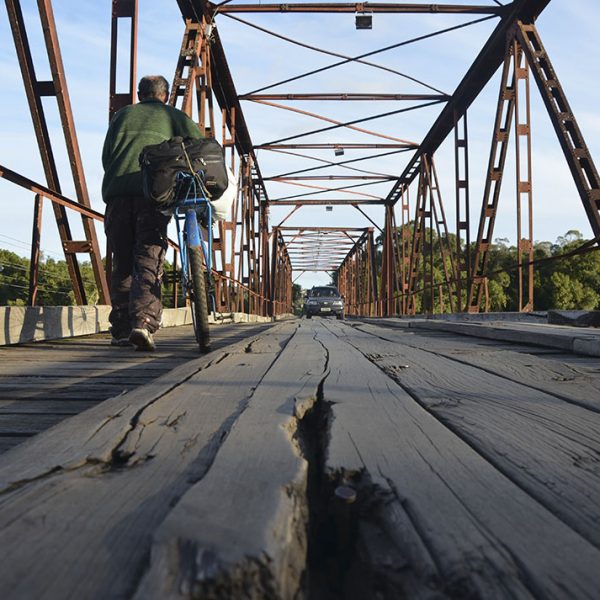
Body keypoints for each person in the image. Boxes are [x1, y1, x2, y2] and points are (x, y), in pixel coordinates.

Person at [102, 75, 203, 350]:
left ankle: (121, 329)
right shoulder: (175, 117)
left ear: (139, 93)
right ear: (165, 95)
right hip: (151, 196)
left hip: (117, 194)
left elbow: (106, 157)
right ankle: (143, 324)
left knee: (121, 260)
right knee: (148, 257)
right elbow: (200, 151)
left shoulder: (122, 117)